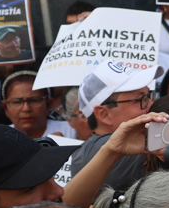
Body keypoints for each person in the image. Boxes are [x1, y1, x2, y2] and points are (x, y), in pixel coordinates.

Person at [68, 61, 158, 189]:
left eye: (149, 96)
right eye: (141, 99)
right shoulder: (102, 150)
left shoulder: (86, 151)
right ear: (104, 114)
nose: (151, 105)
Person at [1, 71, 76, 139]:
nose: (26, 109)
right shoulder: (0, 138)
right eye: (17, 102)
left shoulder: (72, 132)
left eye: (34, 100)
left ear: (49, 104)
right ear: (5, 108)